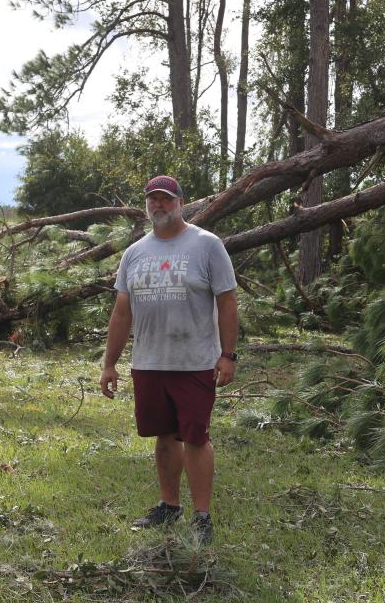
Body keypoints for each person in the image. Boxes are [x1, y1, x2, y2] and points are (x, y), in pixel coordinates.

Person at [99, 175, 238, 544]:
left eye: (166, 199)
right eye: (152, 200)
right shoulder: (135, 253)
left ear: (180, 202)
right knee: (164, 436)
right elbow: (121, 313)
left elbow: (227, 301)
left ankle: (203, 517)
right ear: (147, 206)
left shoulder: (206, 245)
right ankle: (169, 506)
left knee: (194, 437)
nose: (158, 205)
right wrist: (109, 364)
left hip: (194, 361)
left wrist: (227, 354)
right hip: (148, 361)